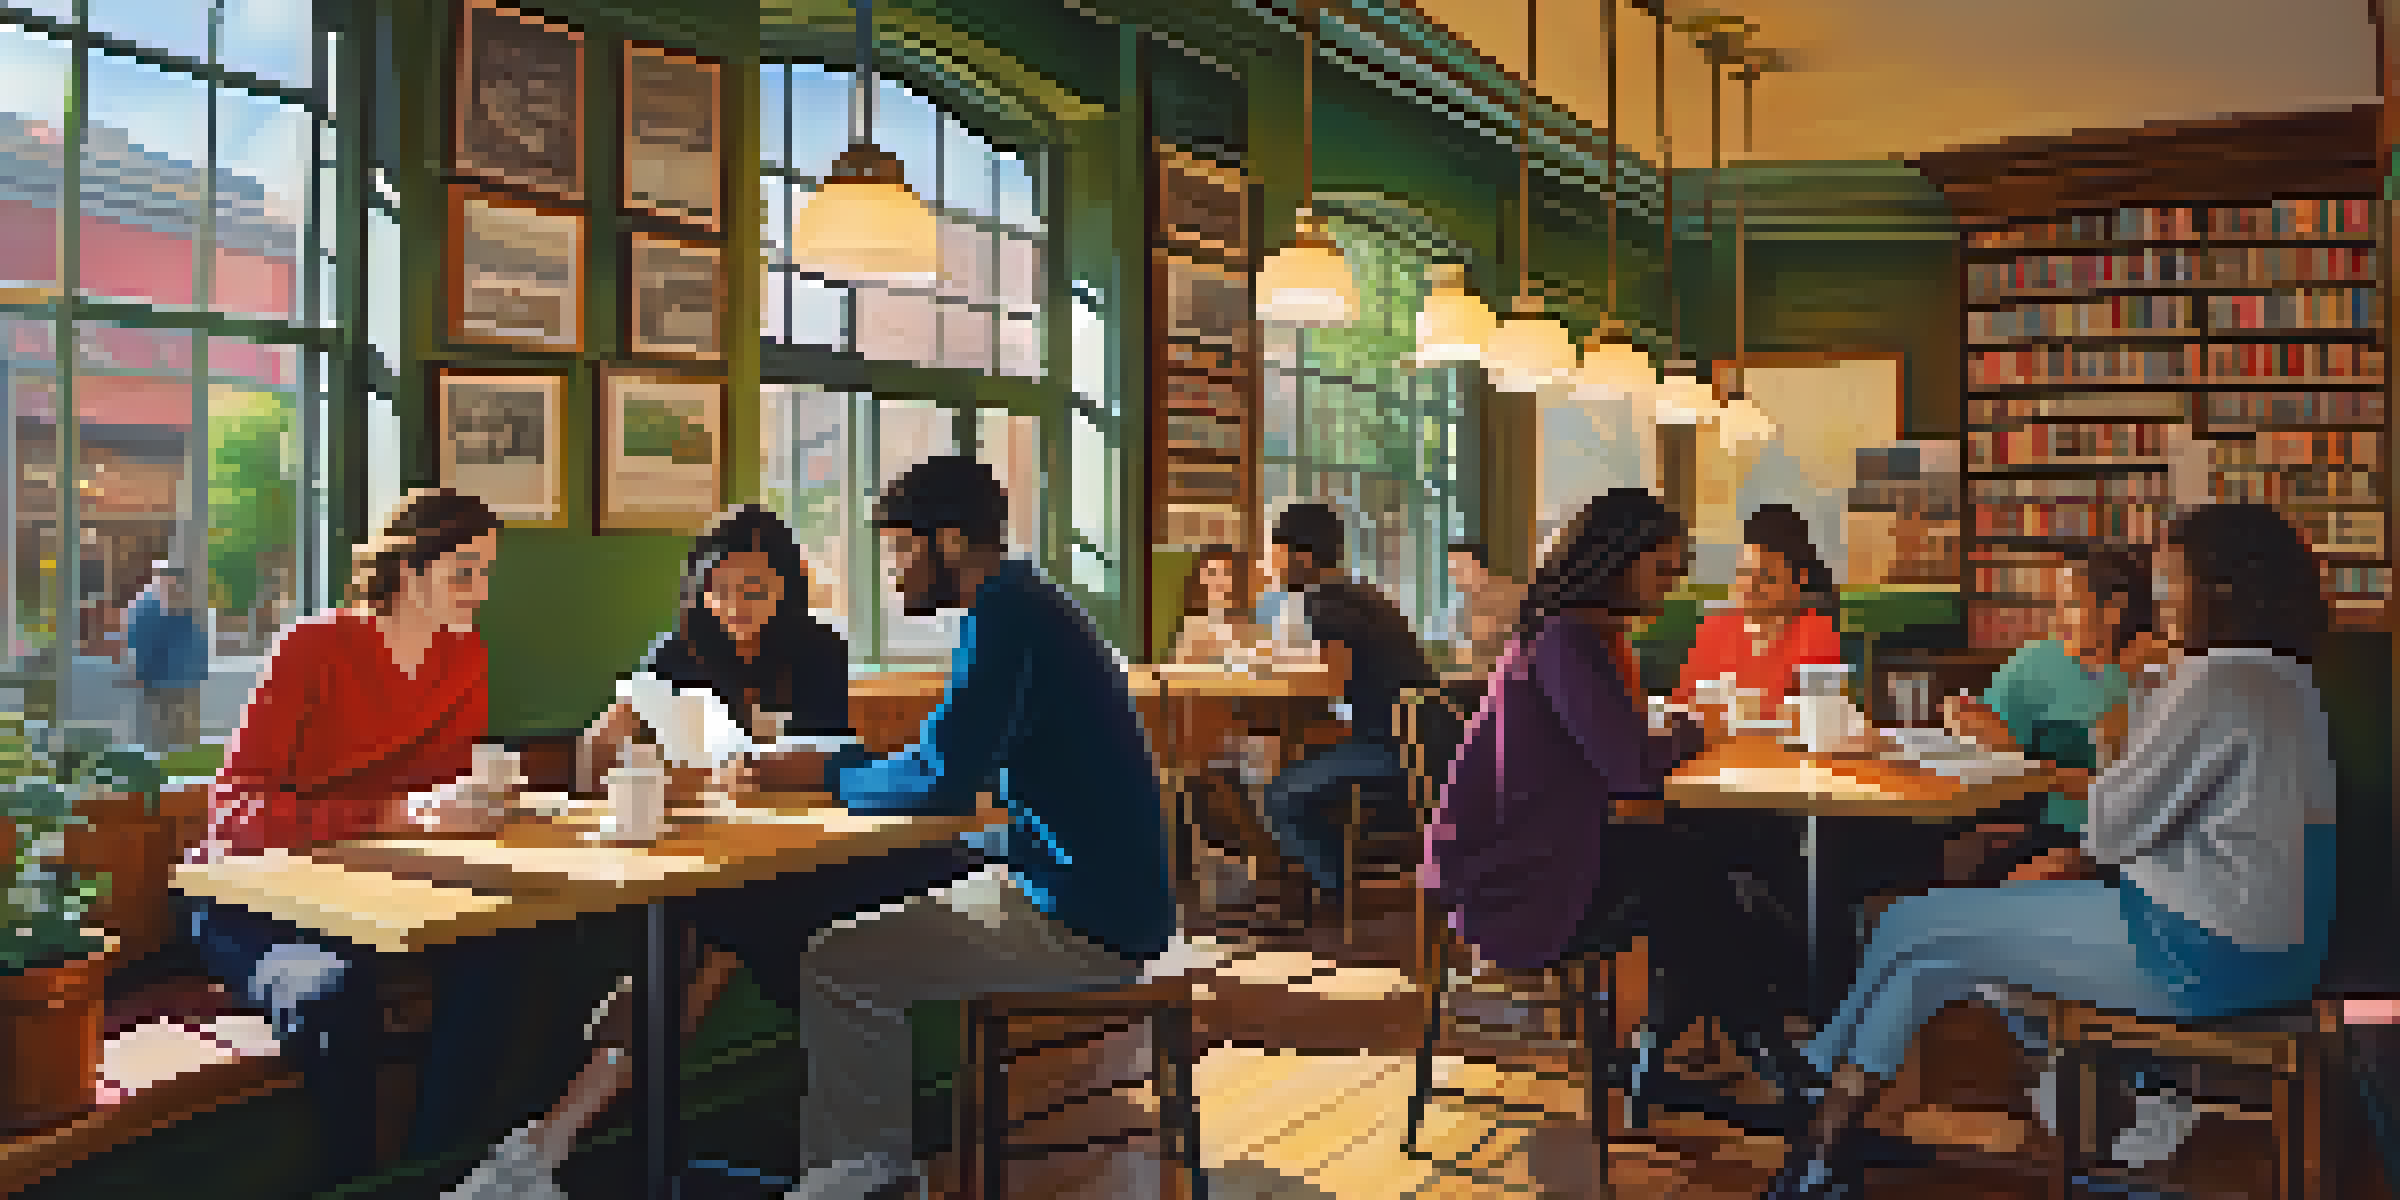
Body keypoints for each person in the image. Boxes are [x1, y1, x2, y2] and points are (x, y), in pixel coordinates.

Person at [1763, 503, 2340, 1199]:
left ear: (2219, 588)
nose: (2159, 605)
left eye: (2171, 583)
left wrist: (2116, 744)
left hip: (2195, 951)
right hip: (2275, 952)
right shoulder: (2289, 682)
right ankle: (1823, 1152)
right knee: (1932, 960)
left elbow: (2112, 826)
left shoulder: (2216, 681)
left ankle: (1814, 1075)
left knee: (1911, 924)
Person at [457, 505, 987, 1199]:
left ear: (787, 587)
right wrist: (623, 782)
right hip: (729, 859)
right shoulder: (677, 652)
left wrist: (767, 771)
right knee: (711, 930)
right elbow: (599, 746)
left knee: (704, 941)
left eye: (754, 591)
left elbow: (831, 761)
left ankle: (545, 1145)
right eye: (719, 590)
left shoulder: (817, 649)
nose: (735, 607)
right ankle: (557, 1142)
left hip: (811, 856)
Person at [763, 455, 1174, 1200]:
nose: (890, 569)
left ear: (945, 541)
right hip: (1101, 895)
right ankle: (871, 1171)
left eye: (897, 548)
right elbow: (956, 762)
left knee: (838, 964)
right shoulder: (1028, 603)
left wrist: (825, 773)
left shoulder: (1006, 615)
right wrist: (855, 766)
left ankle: (864, 1183)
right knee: (889, 905)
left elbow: (945, 778)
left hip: (1085, 918)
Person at [179, 488, 525, 1189]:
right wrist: (393, 815)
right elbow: (232, 811)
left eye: (487, 572)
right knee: (330, 990)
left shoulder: (464, 658)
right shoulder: (314, 647)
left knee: (507, 950)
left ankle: (432, 1175)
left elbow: (441, 796)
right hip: (245, 898)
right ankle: (354, 1182)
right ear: (408, 569)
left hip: (369, 899)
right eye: (464, 571)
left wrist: (480, 811)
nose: (480, 591)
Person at [1425, 490, 1810, 1092]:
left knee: (1707, 863)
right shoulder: (1568, 641)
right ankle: (1760, 1045)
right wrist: (1695, 729)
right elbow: (1630, 767)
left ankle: (1705, 1039)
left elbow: (1617, 753)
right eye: (1662, 569)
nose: (1670, 586)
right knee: (1702, 875)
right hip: (1517, 882)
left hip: (1528, 853)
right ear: (1619, 558)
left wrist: (1672, 733)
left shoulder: (1568, 634)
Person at [1936, 547, 2161, 885]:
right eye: (2053, 606)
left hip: (2130, 844)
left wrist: (2019, 758)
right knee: (1956, 858)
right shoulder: (2035, 662)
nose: (2054, 620)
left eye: (2069, 605)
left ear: (2114, 609)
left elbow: (2135, 793)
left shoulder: (2159, 670)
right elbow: (1987, 742)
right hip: (2052, 829)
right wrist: (1966, 724)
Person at [1254, 502, 1438, 911]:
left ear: (1302, 556)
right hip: (1425, 742)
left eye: (1275, 553)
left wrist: (1272, 664)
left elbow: (1331, 683)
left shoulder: (1325, 602)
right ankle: (1329, 885)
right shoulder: (1359, 592)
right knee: (1302, 776)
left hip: (1393, 747)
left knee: (1280, 795)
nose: (1271, 566)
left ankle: (1338, 891)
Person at [1673, 503, 1845, 716]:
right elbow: (1681, 707)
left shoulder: (1817, 633)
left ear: (1799, 580)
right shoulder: (1713, 628)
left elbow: (1817, 718)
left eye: (1766, 578)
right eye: (1744, 572)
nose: (1749, 587)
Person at [124, 560, 208, 751]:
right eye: (166, 581)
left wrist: (198, 674)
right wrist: (139, 672)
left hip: (182, 681)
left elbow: (195, 644)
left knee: (181, 729)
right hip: (156, 681)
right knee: (157, 729)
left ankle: (180, 757)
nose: (173, 586)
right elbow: (138, 643)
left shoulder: (186, 607)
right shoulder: (146, 608)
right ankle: (157, 756)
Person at [1170, 546, 1265, 666]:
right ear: (1201, 578)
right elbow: (1182, 666)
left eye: (1225, 572)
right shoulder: (1194, 623)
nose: (1217, 580)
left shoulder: (1251, 619)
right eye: (1211, 573)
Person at [1445, 541, 1526, 678]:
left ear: (1480, 566)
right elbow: (1469, 654)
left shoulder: (1508, 592)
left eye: (1461, 569)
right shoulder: (1469, 606)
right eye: (1453, 572)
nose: (1457, 578)